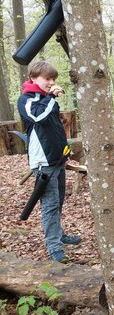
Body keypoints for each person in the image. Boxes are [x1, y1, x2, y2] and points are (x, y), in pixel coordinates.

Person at [17, 61, 81, 263]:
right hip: (42, 162)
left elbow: (56, 129)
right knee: (50, 204)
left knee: (59, 199)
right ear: (33, 78)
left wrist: (65, 153)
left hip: (57, 159)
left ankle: (58, 233)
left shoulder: (46, 98)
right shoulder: (26, 99)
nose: (51, 83)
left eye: (53, 79)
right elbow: (38, 118)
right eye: (47, 79)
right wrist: (52, 97)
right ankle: (54, 248)